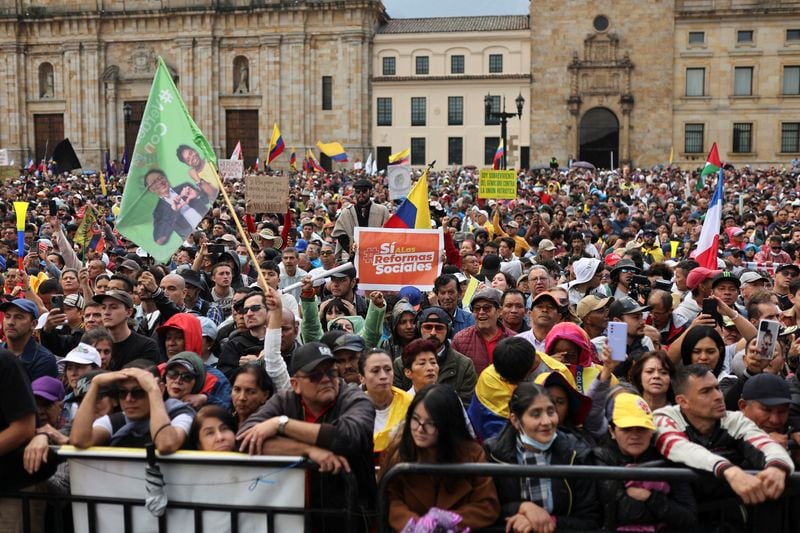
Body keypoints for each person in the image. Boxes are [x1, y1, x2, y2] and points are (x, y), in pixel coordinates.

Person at [237, 342, 376, 532]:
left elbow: (347, 438)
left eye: (331, 372)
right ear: (296, 384)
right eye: (316, 375)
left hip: (350, 517)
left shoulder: (355, 398)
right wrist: (308, 451)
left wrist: (282, 424)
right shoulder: (285, 400)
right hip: (293, 518)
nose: (326, 379)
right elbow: (244, 439)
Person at [653, 364, 794, 531]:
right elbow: (679, 447)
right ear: (683, 402)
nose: (718, 396)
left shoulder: (733, 419)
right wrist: (728, 471)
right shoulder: (663, 418)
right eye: (706, 391)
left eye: (717, 388)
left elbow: (764, 443)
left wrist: (777, 467)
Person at [380, 384, 500, 531]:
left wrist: (452, 520)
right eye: (415, 419)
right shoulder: (398, 452)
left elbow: (487, 505)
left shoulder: (472, 455)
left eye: (431, 423)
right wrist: (414, 524)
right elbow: (391, 500)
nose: (419, 429)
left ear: (448, 425)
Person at [485, 382, 600, 532]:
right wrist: (520, 509)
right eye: (535, 414)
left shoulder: (577, 453)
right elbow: (485, 510)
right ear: (515, 420)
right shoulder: (493, 454)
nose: (546, 422)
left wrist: (549, 522)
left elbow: (591, 520)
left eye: (551, 412)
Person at [593, 392, 696, 530]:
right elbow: (623, 513)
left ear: (651, 431)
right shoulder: (602, 457)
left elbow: (688, 517)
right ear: (612, 431)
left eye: (642, 428)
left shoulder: (668, 456)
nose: (635, 435)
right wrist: (666, 508)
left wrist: (649, 497)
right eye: (627, 429)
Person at [71, 362, 196, 453]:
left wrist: (153, 389)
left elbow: (166, 444)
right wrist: (95, 384)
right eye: (123, 393)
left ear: (161, 389)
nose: (129, 399)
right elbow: (79, 440)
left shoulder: (181, 414)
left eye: (138, 392)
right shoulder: (117, 421)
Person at [359, 348, 412, 455]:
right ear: (362, 378)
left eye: (388, 369)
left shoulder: (410, 404)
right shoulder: (353, 407)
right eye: (375, 371)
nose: (383, 376)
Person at [452, 288, 516, 375]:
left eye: (486, 308)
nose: (481, 312)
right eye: (477, 309)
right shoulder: (460, 340)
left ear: (499, 311)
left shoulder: (515, 339)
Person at [94, 290, 161, 370]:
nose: (106, 312)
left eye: (113, 307)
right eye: (103, 307)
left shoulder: (146, 346)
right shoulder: (94, 343)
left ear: (129, 312)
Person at [144, 168, 211, 245]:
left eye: (161, 178)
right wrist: (173, 212)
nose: (160, 182)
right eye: (154, 182)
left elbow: (207, 200)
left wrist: (198, 194)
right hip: (192, 241)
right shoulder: (158, 212)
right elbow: (159, 239)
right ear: (150, 189)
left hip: (209, 228)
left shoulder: (185, 187)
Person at [331, 179, 391, 259]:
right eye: (358, 192)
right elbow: (340, 233)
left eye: (364, 191)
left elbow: (387, 233)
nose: (361, 194)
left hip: (377, 255)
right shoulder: (346, 212)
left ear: (370, 192)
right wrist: (352, 248)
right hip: (353, 257)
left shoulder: (382, 210)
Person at [0, 298, 58, 381]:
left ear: (33, 324)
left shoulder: (43, 360)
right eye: (7, 316)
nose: (10, 322)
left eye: (19, 317)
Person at [230, 363, 274, 428]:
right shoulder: (225, 423)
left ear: (265, 395)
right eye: (237, 390)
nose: (242, 397)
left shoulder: (270, 427)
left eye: (251, 392)